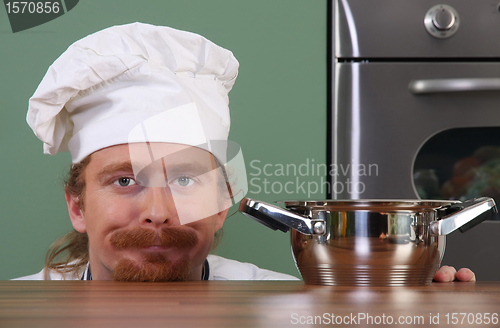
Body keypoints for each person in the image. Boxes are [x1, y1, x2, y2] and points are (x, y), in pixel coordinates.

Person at [16, 22, 473, 282]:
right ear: (78, 206)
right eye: (124, 181)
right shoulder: (20, 313)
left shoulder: (283, 307)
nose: (158, 212)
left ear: (223, 203)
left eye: (185, 180)